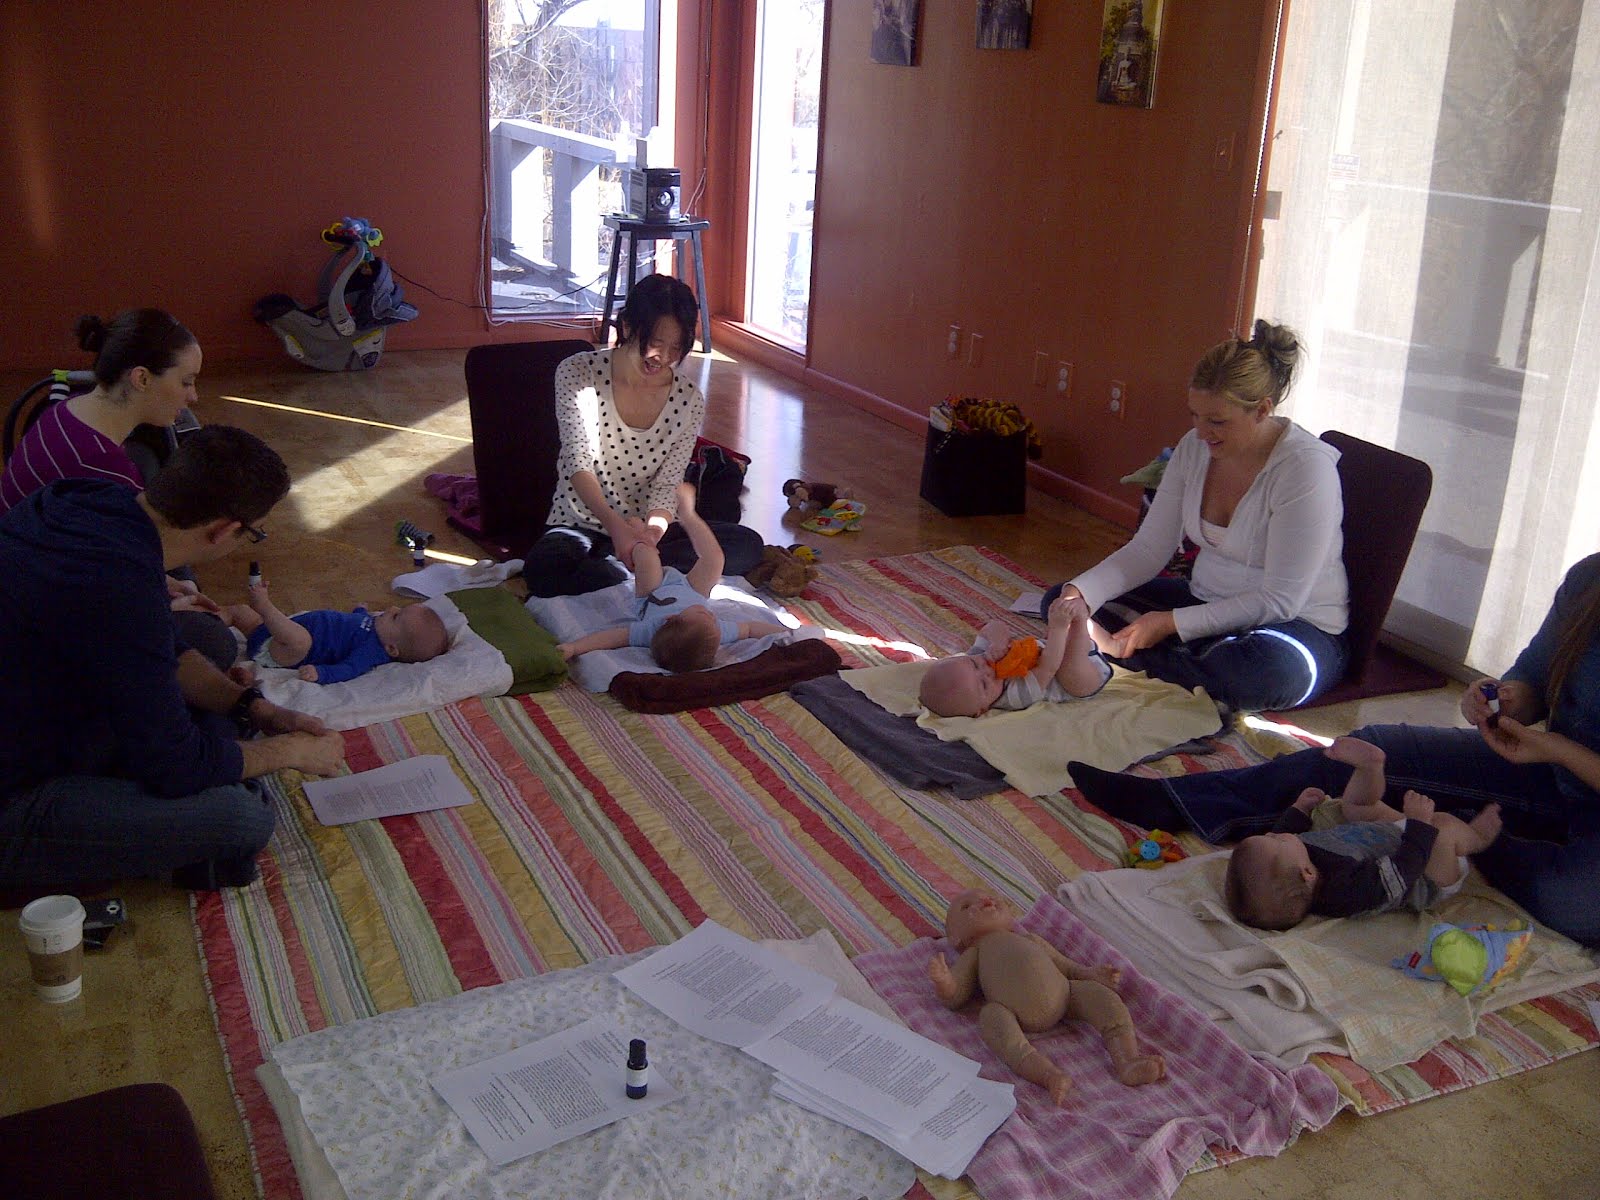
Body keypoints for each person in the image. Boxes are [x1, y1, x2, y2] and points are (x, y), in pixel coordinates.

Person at [1069, 551, 1600, 949]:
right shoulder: (1588, 580)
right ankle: (1178, 801)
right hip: (1546, 771)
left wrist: (1557, 750)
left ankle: (1470, 836)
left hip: (1567, 774)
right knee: (1369, 751)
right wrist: (1501, 698)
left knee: (1567, 900)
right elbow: (1532, 679)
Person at [0, 426, 346, 892]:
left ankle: (207, 755)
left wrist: (252, 706)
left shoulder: (81, 496)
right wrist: (289, 751)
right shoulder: (122, 591)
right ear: (224, 530)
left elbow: (156, 644)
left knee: (207, 640)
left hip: (43, 702)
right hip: (16, 794)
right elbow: (175, 766)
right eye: (253, 533)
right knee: (240, 817)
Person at [1042, 321, 1349, 711]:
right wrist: (1081, 595)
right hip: (1202, 602)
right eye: (1195, 416)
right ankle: (1165, 663)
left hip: (1292, 627)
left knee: (1259, 676)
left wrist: (1170, 623)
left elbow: (1280, 600)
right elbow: (1149, 549)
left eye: (1217, 421)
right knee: (1060, 603)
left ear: (1262, 410)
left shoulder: (1306, 468)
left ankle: (1117, 656)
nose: (1202, 433)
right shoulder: (1195, 447)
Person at [1, 308, 236, 671]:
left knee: (178, 574)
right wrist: (161, 600)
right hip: (32, 606)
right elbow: (104, 587)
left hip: (37, 559)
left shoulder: (66, 409)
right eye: (186, 382)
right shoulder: (105, 472)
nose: (193, 396)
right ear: (141, 378)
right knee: (215, 643)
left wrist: (162, 581)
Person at [522, 274, 763, 598]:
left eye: (676, 348)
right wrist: (618, 530)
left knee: (747, 545)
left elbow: (668, 484)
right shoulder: (579, 373)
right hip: (583, 525)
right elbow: (578, 462)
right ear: (627, 326)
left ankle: (631, 573)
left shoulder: (688, 399)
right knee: (544, 569)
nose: (662, 357)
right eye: (655, 342)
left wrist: (651, 534)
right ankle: (643, 574)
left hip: (649, 533)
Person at [1224, 736, 1503, 930]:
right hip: (1424, 873)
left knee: (1353, 806)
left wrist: (1300, 809)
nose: (1273, 834)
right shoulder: (1345, 893)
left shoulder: (1296, 861)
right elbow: (1401, 873)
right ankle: (1475, 838)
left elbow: (1284, 833)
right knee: (1442, 828)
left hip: (1385, 835)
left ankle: (1371, 766)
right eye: (1276, 840)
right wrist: (1419, 826)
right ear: (1307, 873)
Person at [927, 887, 1165, 1104]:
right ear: (956, 939)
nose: (985, 901)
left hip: (1065, 995)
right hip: (1011, 1012)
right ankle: (1049, 1076)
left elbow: (1068, 967)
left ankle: (1127, 1061)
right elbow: (955, 995)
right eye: (967, 906)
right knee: (991, 1018)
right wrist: (944, 981)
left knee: (1103, 998)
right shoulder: (975, 952)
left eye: (988, 897)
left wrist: (1092, 974)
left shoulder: (1030, 939)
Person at [557, 483, 786, 669]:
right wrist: (789, 634)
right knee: (715, 559)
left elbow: (612, 637)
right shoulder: (714, 632)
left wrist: (575, 648)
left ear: (669, 619)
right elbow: (751, 629)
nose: (711, 615)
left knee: (647, 557)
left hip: (653, 593)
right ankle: (688, 514)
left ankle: (637, 537)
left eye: (703, 615)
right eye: (712, 621)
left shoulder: (651, 630)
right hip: (693, 591)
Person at [918, 592, 1111, 717]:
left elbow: (994, 626)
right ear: (982, 709)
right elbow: (1049, 666)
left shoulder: (981, 657)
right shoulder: (1013, 696)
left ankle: (1083, 628)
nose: (987, 670)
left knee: (1055, 616)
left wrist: (998, 641)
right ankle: (1080, 621)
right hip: (1081, 682)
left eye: (975, 665)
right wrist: (1058, 628)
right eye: (984, 685)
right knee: (1067, 670)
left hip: (1058, 649)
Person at [225, 580, 451, 684]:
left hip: (287, 651)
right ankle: (213, 615)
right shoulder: (377, 626)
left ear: (392, 649)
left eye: (396, 616)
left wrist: (322, 674)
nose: (391, 608)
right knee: (240, 612)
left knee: (301, 640)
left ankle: (265, 606)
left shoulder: (372, 651)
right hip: (272, 633)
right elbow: (355, 623)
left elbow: (349, 669)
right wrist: (360, 611)